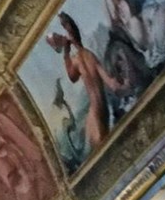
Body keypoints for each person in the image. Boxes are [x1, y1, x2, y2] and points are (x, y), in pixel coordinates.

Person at [45, 10, 126, 152]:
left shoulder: (77, 59)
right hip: (102, 108)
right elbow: (110, 83)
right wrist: (121, 84)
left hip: (95, 110)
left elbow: (72, 77)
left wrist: (66, 52)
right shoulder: (89, 55)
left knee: (100, 150)